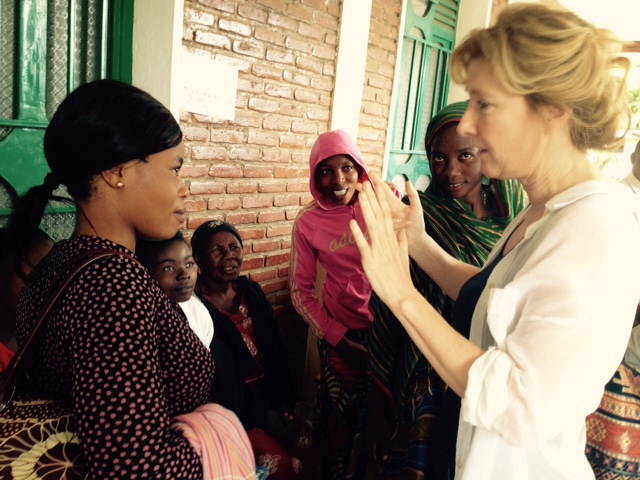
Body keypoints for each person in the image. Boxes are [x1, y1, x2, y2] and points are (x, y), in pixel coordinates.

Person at [349, 3, 640, 480]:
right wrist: (419, 244)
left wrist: (401, 294)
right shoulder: (542, 210)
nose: (466, 125)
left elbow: (517, 402)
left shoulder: (597, 228)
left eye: (485, 104)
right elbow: (494, 300)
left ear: (553, 110)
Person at [5, 79, 253, 478]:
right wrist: (216, 442)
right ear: (117, 172)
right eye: (174, 168)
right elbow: (136, 468)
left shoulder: (59, 263)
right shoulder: (112, 282)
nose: (183, 189)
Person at [354, 101, 525, 478]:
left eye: (464, 155)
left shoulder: (514, 220)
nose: (450, 171)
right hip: (424, 371)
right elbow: (389, 305)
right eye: (437, 158)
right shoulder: (421, 216)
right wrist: (380, 402)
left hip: (490, 371)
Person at [289, 129, 400, 479]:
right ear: (315, 177)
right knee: (339, 418)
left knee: (385, 417)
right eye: (326, 170)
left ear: (360, 169)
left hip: (391, 328)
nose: (338, 179)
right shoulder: (308, 223)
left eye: (347, 168)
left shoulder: (384, 200)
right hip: (344, 337)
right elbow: (300, 291)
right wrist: (339, 339)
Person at [191, 219, 317, 479]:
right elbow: (222, 379)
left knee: (309, 443)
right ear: (198, 258)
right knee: (280, 465)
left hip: (270, 397)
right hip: (229, 409)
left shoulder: (251, 292)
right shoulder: (196, 308)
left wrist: (283, 404)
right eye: (217, 250)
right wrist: (263, 416)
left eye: (234, 247)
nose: (229, 256)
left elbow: (277, 350)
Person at [136, 232, 213, 349]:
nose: (185, 275)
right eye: (168, 268)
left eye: (189, 264)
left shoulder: (197, 311)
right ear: (145, 272)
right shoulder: (139, 318)